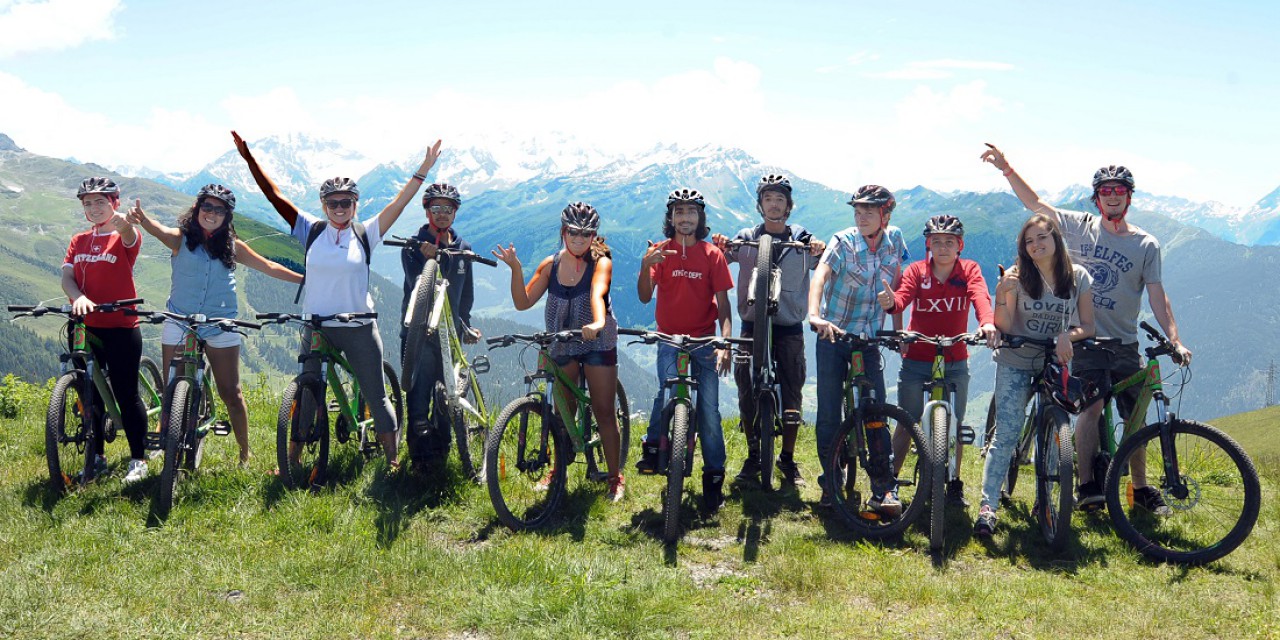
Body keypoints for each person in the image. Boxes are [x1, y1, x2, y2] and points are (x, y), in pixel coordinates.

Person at [982, 144, 1188, 514]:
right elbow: (1036, 206)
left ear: (1129, 197)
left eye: (1119, 190)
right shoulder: (1078, 227)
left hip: (1124, 341)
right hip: (1081, 340)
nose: (1112, 196)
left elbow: (1158, 295)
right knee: (1091, 408)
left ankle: (1140, 488)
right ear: (1096, 198)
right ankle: (1087, 486)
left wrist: (1174, 338)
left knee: (1136, 416)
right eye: (1106, 191)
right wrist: (1007, 168)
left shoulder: (1146, 244)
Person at [233, 131, 442, 471]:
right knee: (306, 393)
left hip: (358, 326)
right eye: (333, 203)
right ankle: (292, 461)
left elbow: (398, 204)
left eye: (347, 202)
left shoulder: (366, 232)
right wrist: (249, 159)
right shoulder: (311, 230)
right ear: (324, 206)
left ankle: (391, 461)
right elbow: (274, 197)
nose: (340, 208)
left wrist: (423, 169)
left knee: (376, 395)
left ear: (355, 205)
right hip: (316, 326)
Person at [128, 184, 302, 466]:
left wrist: (305, 279)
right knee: (171, 388)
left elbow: (268, 266)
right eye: (207, 207)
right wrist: (144, 220)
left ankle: (244, 454)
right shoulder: (181, 239)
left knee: (231, 392)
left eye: (219, 210)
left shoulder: (233, 246)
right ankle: (166, 441)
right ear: (197, 209)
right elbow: (161, 231)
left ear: (227, 216)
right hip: (180, 319)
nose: (211, 213)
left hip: (220, 323)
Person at [491, 202, 625, 502]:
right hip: (562, 341)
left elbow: (598, 293)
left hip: (596, 341)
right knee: (562, 414)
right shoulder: (550, 265)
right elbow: (523, 302)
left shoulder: (601, 262)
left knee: (604, 410)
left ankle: (615, 478)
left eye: (586, 234)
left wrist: (598, 323)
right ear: (564, 232)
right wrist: (515, 268)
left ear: (593, 236)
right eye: (573, 232)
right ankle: (558, 472)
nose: (579, 239)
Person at [976, 214, 1095, 536]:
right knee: (1007, 434)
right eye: (1029, 241)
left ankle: (1047, 501)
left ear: (1056, 239)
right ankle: (988, 507)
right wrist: (1002, 293)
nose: (1035, 245)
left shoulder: (1078, 277)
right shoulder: (1017, 276)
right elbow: (1002, 325)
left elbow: (1088, 325)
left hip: (1053, 362)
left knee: (1056, 433)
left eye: (1042, 237)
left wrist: (1067, 336)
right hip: (1015, 359)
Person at [712, 174, 825, 488]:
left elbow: (823, 263)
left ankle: (787, 458)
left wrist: (818, 248)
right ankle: (753, 455)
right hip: (752, 324)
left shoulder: (802, 239)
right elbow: (718, 261)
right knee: (745, 387)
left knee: (792, 389)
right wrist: (720, 245)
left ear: (789, 206)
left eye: (779, 200)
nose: (773, 205)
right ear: (760, 205)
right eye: (768, 199)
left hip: (789, 325)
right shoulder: (747, 236)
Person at [876, 214, 997, 507]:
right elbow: (903, 298)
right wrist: (892, 303)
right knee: (907, 420)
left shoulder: (969, 269)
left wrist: (987, 322)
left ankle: (954, 482)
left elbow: (980, 295)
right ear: (928, 245)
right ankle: (890, 483)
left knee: (955, 423)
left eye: (949, 242)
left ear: (960, 246)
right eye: (937, 241)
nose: (943, 247)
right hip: (918, 356)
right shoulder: (917, 271)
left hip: (955, 357)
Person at [808, 184, 909, 512]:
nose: (861, 217)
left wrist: (898, 329)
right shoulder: (843, 242)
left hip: (868, 338)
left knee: (876, 410)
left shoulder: (896, 240)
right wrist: (815, 315)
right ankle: (831, 481)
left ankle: (884, 489)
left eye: (869, 211)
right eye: (857, 211)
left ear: (885, 216)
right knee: (828, 413)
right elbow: (820, 277)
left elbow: (897, 286)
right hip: (833, 335)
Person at [636, 188, 735, 512]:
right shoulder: (660, 252)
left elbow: (723, 306)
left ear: (700, 217)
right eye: (679, 211)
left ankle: (714, 478)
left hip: (705, 340)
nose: (685, 218)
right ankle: (653, 449)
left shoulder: (712, 255)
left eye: (691, 211)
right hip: (669, 337)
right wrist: (645, 266)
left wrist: (725, 343)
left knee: (709, 410)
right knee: (665, 394)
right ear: (671, 217)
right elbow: (644, 297)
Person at [61, 177, 150, 484]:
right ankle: (96, 457)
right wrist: (78, 297)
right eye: (88, 203)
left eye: (100, 202)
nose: (94, 208)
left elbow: (129, 235)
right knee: (90, 395)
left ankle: (138, 459)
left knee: (126, 394)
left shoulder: (123, 235)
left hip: (120, 325)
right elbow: (67, 278)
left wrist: (124, 225)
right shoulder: (79, 240)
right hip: (84, 326)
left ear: (115, 203)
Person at [399, 182, 481, 473]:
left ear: (455, 212)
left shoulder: (464, 249)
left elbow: (465, 295)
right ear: (427, 211)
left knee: (447, 395)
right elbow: (416, 285)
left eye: (448, 209)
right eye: (436, 208)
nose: (442, 214)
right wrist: (429, 259)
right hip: (419, 333)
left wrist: (465, 325)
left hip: (450, 333)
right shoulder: (412, 246)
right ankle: (419, 460)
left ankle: (441, 454)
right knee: (418, 395)